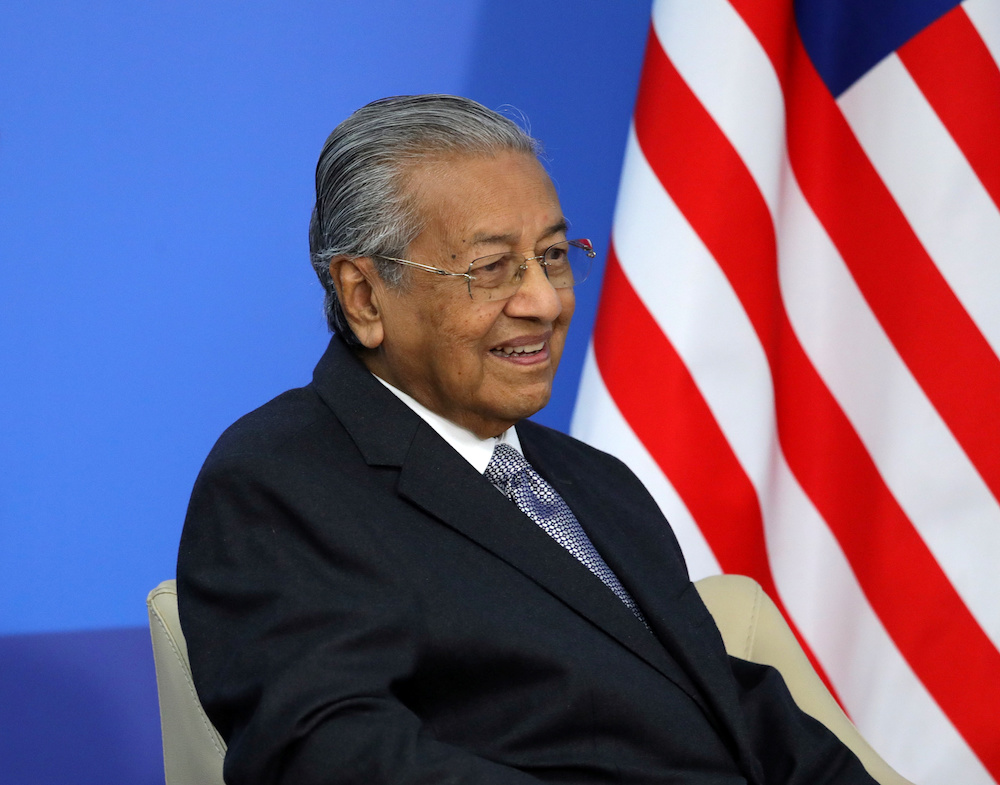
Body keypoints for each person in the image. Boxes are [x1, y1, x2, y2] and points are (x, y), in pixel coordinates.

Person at [177, 94, 878, 784]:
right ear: (364, 296)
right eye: (492, 268)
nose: (543, 301)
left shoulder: (595, 481)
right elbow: (328, 752)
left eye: (551, 255)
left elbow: (724, 708)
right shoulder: (282, 478)